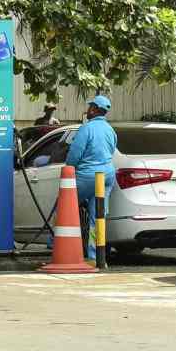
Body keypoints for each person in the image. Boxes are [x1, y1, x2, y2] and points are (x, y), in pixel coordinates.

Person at [65, 96, 119, 261]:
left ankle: (55, 244)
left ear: (94, 109)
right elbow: (111, 151)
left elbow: (74, 154)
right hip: (106, 176)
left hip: (87, 175)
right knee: (98, 217)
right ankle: (95, 256)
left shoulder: (86, 129)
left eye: (90, 107)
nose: (87, 110)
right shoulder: (110, 130)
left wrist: (68, 169)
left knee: (65, 205)